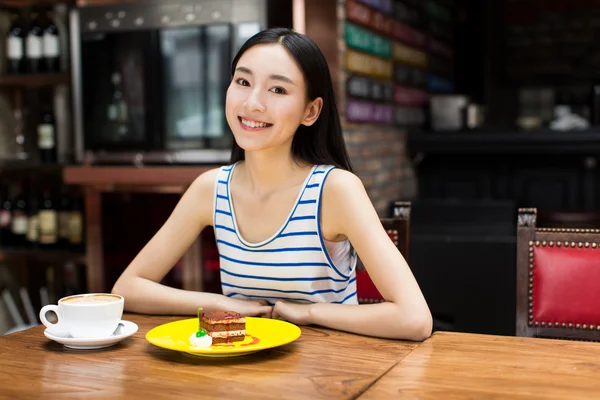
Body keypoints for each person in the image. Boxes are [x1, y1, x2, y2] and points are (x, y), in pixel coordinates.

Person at [112, 27, 432, 341]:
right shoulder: (211, 189)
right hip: (240, 368)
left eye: (277, 90)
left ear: (311, 110)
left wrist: (307, 313)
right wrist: (219, 303)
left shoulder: (335, 190)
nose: (252, 103)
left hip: (332, 375)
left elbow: (414, 319)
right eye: (243, 81)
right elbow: (128, 288)